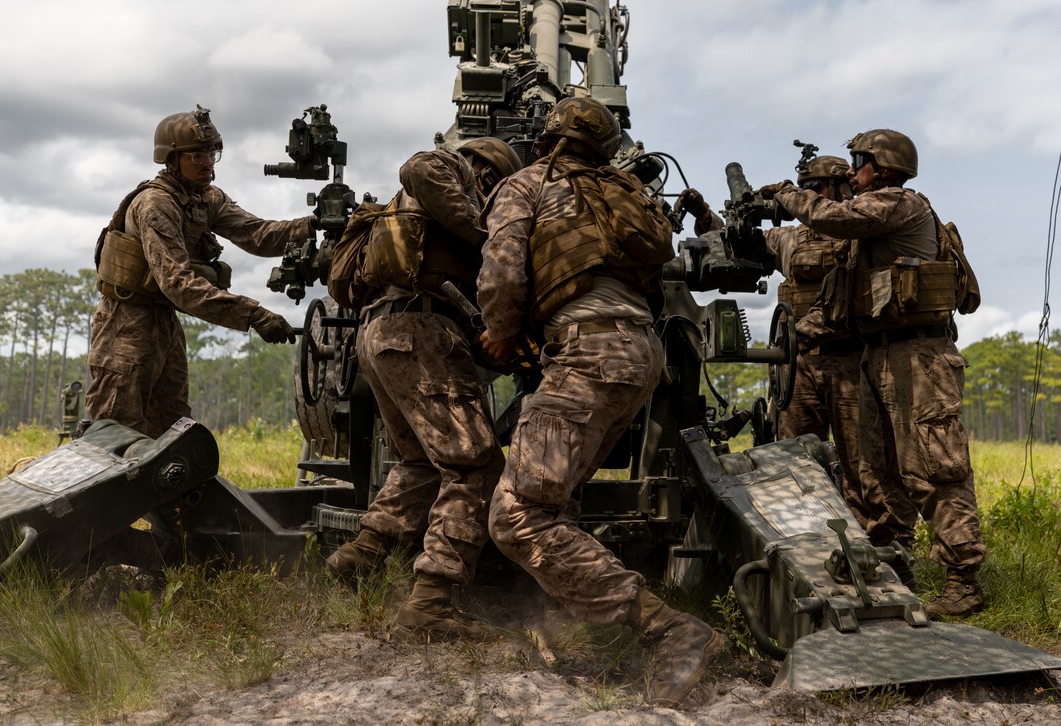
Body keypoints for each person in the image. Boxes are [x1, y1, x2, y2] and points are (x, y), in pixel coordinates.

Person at [478, 96, 722, 707]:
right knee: (557, 493)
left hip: (586, 350)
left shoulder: (528, 183)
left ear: (547, 140)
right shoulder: (627, 194)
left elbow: (504, 273)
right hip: (640, 352)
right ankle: (567, 620)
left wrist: (501, 331)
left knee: (517, 516)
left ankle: (669, 631)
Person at [764, 129, 986, 617]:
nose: (849, 171)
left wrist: (786, 193)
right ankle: (891, 563)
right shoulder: (867, 232)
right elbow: (835, 303)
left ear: (883, 167)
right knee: (872, 471)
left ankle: (963, 577)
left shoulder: (898, 205)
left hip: (919, 360)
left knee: (934, 468)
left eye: (858, 162)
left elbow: (829, 215)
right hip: (877, 356)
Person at [324, 137, 522, 641]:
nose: (494, 192)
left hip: (387, 335)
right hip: (418, 333)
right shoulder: (444, 165)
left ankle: (362, 556)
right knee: (475, 465)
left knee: (417, 462)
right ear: (482, 168)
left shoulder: (441, 206)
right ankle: (433, 602)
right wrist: (491, 234)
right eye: (494, 182)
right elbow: (417, 168)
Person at [88, 106, 306, 438]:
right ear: (171, 159)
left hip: (164, 324)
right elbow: (178, 284)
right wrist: (253, 314)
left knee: (171, 436)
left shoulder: (205, 198)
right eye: (196, 155)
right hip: (125, 327)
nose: (207, 163)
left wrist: (315, 225)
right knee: (113, 437)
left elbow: (258, 234)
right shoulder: (155, 205)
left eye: (211, 153)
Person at [762, 156, 906, 554]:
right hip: (798, 366)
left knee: (864, 464)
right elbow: (740, 244)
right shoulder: (788, 239)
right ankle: (803, 545)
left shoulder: (861, 235)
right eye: (805, 187)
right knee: (792, 457)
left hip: (848, 362)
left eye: (818, 187)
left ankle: (877, 546)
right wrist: (709, 216)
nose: (811, 195)